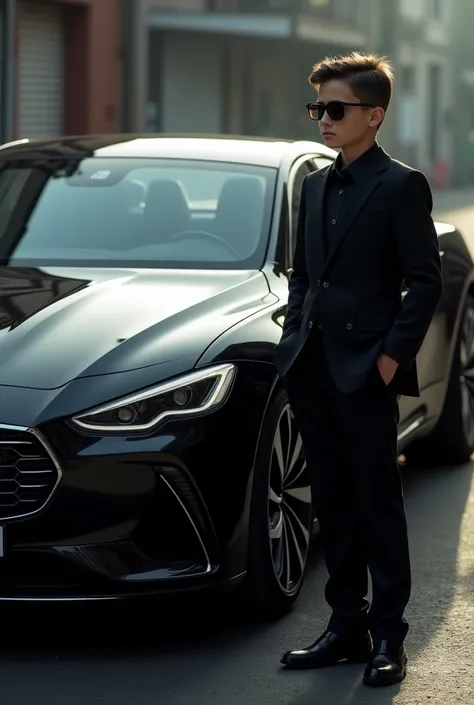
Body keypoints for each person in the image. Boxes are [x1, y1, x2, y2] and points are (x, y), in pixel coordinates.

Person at [274, 52, 443, 688]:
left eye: (335, 108)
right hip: (313, 368)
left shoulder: (401, 186)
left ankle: (387, 637)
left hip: (366, 369)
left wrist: (390, 358)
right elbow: (303, 277)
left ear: (373, 116)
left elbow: (424, 282)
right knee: (334, 507)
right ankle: (343, 626)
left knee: (377, 507)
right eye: (317, 107)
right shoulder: (312, 185)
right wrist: (293, 339)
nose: (323, 118)